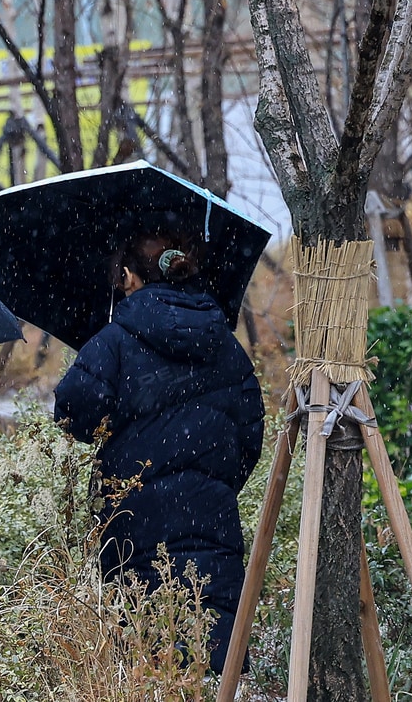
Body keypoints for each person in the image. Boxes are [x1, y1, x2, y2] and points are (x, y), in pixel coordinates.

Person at [54, 231, 264, 673]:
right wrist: (210, 482)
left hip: (136, 523)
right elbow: (250, 437)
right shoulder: (225, 344)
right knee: (213, 650)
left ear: (129, 277)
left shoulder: (113, 342)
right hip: (213, 520)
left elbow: (72, 411)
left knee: (144, 657)